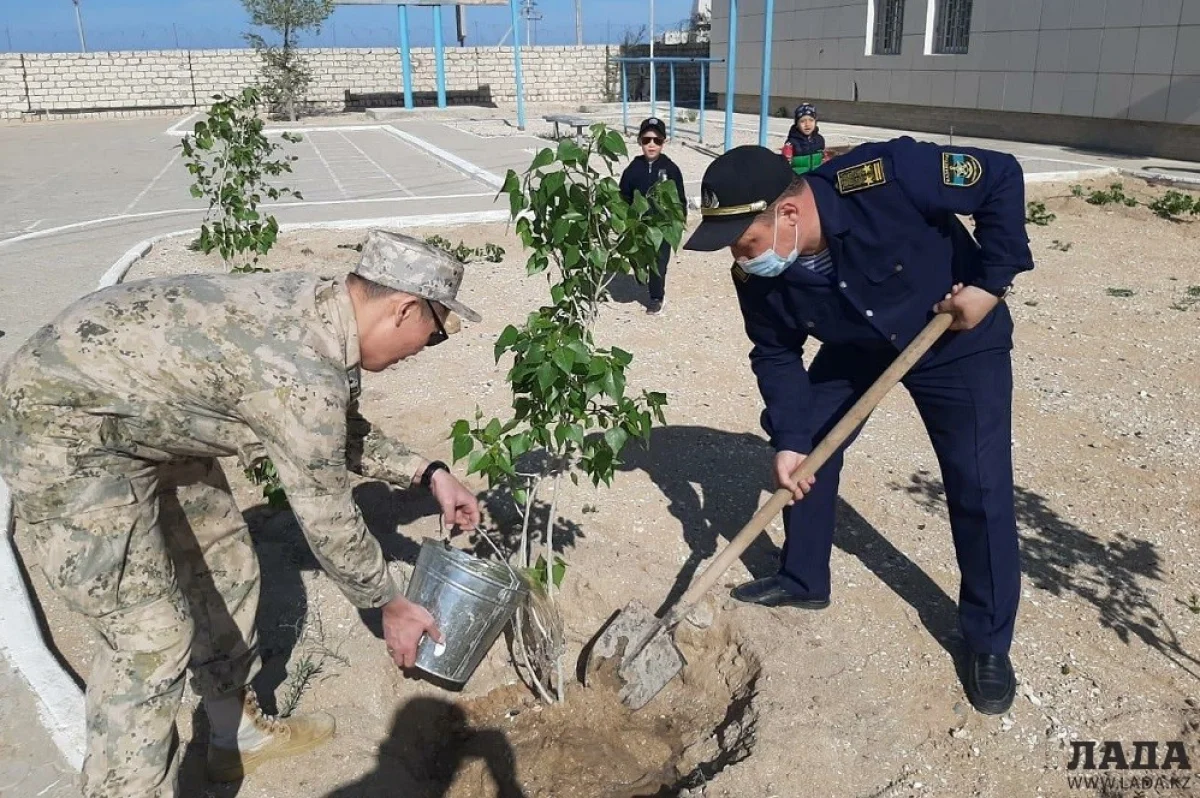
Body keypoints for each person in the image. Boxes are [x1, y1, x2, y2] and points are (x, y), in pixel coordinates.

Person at [0, 230, 484, 797]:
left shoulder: (326, 310)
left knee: (223, 559)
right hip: (62, 428)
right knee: (148, 638)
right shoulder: (300, 366)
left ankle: (233, 736)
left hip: (147, 414)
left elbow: (331, 434)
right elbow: (326, 515)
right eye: (434, 336)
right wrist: (388, 604)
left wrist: (429, 473)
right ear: (404, 308)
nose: (425, 350)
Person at [682, 139, 1034, 715]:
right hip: (858, 343)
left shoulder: (887, 175)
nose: (740, 259)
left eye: (746, 242)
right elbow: (775, 353)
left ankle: (987, 641)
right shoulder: (758, 277)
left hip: (955, 335)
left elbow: (1001, 175)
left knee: (980, 485)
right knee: (809, 445)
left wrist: (990, 283)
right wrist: (791, 441)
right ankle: (803, 577)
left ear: (788, 213)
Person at [619, 116, 688, 315]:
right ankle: (643, 279)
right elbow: (623, 195)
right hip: (639, 225)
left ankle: (656, 297)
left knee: (659, 262)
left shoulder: (671, 169)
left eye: (657, 140)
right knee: (638, 257)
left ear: (663, 143)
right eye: (647, 140)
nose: (651, 145)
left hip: (662, 226)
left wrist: (678, 220)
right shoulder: (632, 170)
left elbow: (679, 199)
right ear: (640, 141)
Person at [783, 103, 826, 176]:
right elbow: (784, 165)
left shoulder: (820, 140)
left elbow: (823, 159)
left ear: (815, 122)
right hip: (798, 180)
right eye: (802, 121)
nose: (807, 124)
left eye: (811, 120)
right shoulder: (791, 143)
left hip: (815, 178)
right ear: (797, 124)